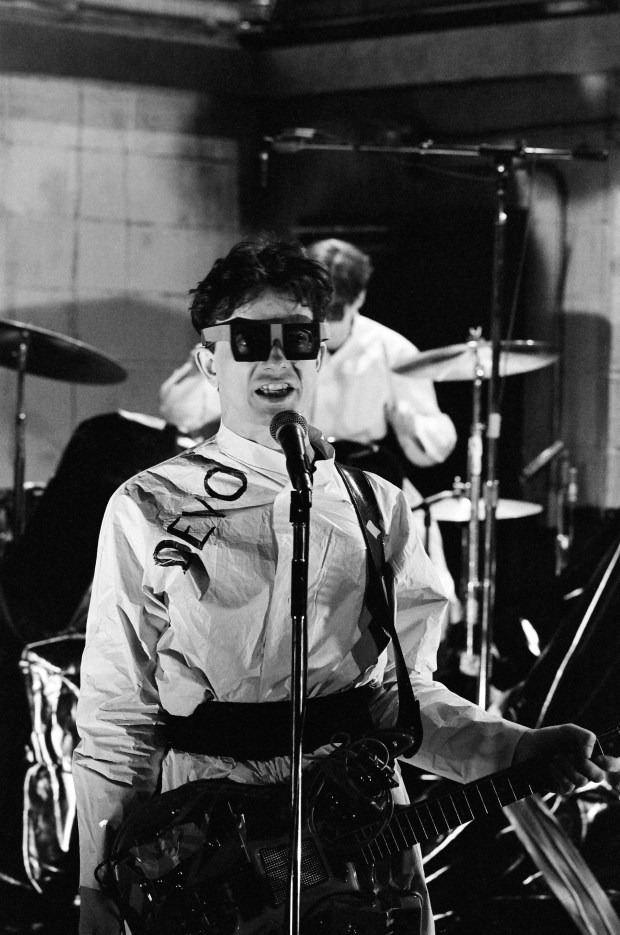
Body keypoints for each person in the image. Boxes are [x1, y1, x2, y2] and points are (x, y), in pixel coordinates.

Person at [74, 236, 618, 935]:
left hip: (357, 844)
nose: (276, 359)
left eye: (296, 338)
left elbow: (401, 700)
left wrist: (516, 745)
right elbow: (116, 717)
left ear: (320, 353)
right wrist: (97, 889)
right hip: (210, 850)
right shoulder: (148, 505)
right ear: (210, 360)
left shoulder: (378, 507)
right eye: (249, 340)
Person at [159, 237, 459, 610]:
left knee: (421, 587)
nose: (328, 323)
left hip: (359, 483)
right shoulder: (252, 347)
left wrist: (409, 419)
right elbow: (180, 412)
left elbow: (433, 449)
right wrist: (215, 356)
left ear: (360, 299)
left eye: (336, 312)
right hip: (268, 478)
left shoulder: (392, 351)